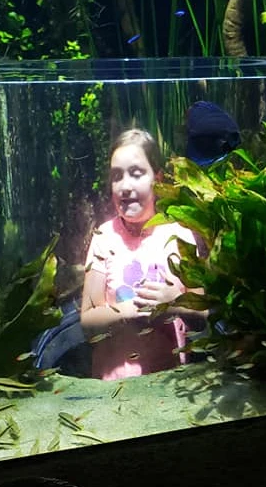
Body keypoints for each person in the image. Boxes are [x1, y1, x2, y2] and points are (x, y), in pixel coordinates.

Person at [80, 128, 207, 381]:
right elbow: (87, 323)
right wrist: (127, 312)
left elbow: (203, 316)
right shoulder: (103, 237)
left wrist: (175, 303)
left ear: (157, 179)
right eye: (117, 176)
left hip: (171, 383)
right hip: (113, 386)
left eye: (136, 174)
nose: (125, 186)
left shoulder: (179, 235)